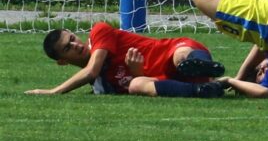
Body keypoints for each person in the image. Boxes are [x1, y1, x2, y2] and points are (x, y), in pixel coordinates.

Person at [25, 22, 226, 98]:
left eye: (72, 39)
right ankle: (203, 90)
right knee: (136, 85)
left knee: (181, 56)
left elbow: (90, 71)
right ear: (62, 61)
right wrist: (137, 72)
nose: (76, 44)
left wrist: (53, 91)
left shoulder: (98, 32)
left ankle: (206, 68)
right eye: (68, 48)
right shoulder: (101, 86)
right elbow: (142, 79)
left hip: (173, 51)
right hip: (167, 81)